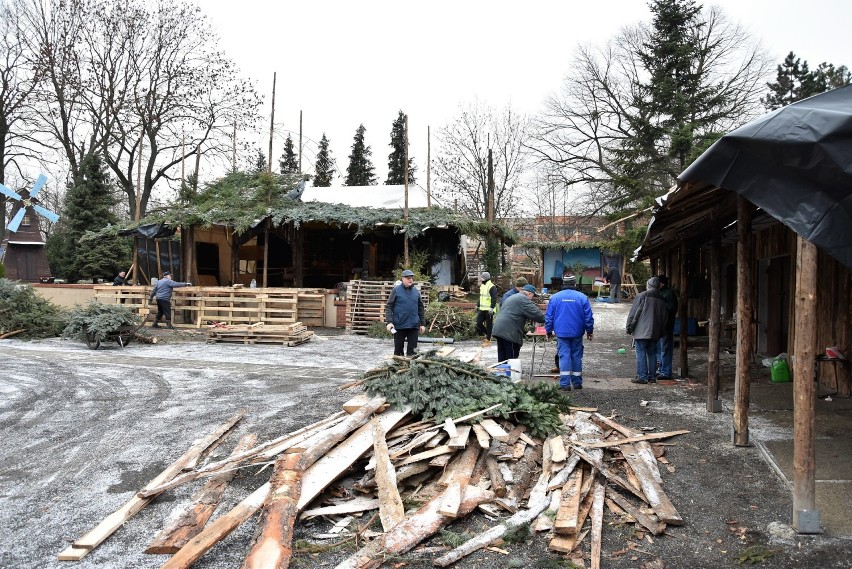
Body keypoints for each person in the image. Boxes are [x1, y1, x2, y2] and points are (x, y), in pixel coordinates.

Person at [545, 285, 594, 390]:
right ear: (574, 284)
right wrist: (589, 331)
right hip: (577, 332)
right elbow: (588, 316)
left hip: (561, 333)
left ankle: (565, 384)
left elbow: (549, 317)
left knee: (564, 356)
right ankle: (577, 383)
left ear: (563, 284)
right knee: (576, 356)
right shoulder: (582, 297)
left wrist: (548, 331)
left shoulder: (555, 297)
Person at [626, 277, 667, 384]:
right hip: (655, 332)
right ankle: (652, 377)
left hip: (641, 331)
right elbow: (664, 318)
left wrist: (629, 327)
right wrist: (661, 332)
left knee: (640, 352)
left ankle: (642, 376)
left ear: (648, 285)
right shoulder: (663, 299)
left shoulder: (642, 295)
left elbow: (634, 313)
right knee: (652, 353)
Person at [492, 284, 545, 363]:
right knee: (511, 359)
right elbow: (538, 316)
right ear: (529, 293)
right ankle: (511, 374)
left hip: (498, 328)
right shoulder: (523, 299)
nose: (532, 299)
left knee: (502, 358)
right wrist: (552, 319)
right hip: (509, 331)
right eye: (533, 296)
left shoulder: (513, 297)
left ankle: (502, 374)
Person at [384, 269, 426, 356]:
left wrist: (422, 324)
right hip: (399, 326)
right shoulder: (396, 290)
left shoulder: (416, 292)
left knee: (413, 353)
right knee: (398, 352)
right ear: (403, 279)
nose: (410, 279)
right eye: (408, 278)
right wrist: (389, 322)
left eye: (411, 278)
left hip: (414, 326)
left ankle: (411, 368)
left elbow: (420, 308)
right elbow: (389, 306)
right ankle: (398, 368)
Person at [655, 275, 678, 380]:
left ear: (661, 283)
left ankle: (666, 372)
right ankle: (660, 370)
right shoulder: (660, 293)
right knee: (659, 349)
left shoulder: (668, 294)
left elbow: (672, 309)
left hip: (666, 325)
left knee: (665, 349)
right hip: (659, 325)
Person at [476, 271, 498, 347]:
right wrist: (478, 305)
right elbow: (481, 296)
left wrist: (492, 308)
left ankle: (488, 340)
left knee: (489, 325)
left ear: (485, 278)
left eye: (482, 277)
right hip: (482, 309)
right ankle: (488, 334)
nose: (481, 279)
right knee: (478, 323)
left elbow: (494, 299)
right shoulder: (482, 286)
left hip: (489, 310)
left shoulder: (492, 286)